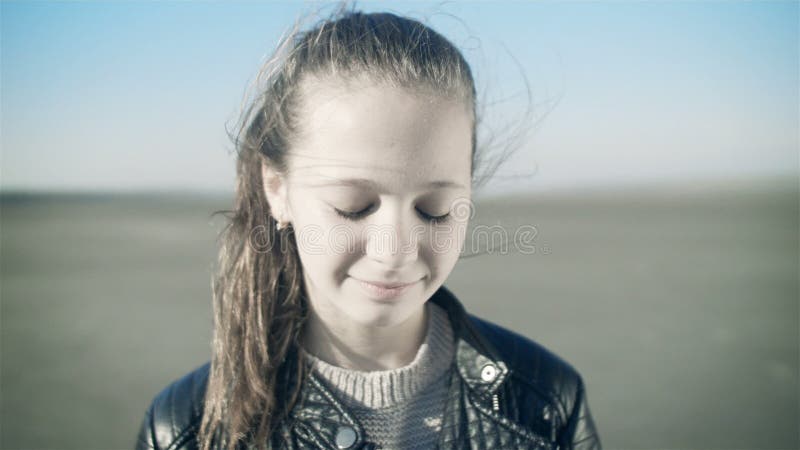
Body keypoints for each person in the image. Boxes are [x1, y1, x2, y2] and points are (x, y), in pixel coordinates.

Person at [135, 7, 601, 450]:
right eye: (353, 206)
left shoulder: (545, 402)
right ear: (277, 189)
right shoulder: (187, 429)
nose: (394, 250)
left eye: (435, 208)